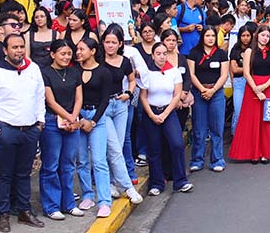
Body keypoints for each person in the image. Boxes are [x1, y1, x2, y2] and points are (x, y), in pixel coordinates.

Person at [0, 34, 46, 232]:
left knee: (24, 173)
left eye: (21, 47)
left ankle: (24, 211)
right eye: (14, 47)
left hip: (29, 130)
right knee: (3, 175)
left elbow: (39, 96)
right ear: (5, 50)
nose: (19, 51)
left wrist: (40, 122)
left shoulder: (33, 69)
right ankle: (3, 213)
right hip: (5, 131)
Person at [139, 42, 193, 194]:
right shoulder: (146, 72)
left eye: (164, 53)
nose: (162, 57)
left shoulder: (174, 71)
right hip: (151, 112)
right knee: (154, 149)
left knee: (176, 144)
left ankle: (180, 181)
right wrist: (151, 114)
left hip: (169, 112)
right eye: (158, 53)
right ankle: (156, 183)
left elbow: (177, 95)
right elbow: (143, 96)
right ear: (153, 55)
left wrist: (164, 114)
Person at [228, 26, 270, 163]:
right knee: (252, 121)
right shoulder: (249, 51)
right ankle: (253, 152)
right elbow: (246, 73)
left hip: (269, 88)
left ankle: (266, 152)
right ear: (257, 36)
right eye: (263, 35)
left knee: (268, 120)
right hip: (252, 87)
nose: (265, 38)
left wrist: (264, 87)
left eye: (268, 36)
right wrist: (256, 89)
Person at [40, 39, 85, 219]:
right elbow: (50, 101)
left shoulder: (74, 72)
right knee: (51, 165)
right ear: (53, 55)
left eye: (68, 53)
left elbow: (79, 97)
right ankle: (51, 206)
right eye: (62, 53)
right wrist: (68, 117)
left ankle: (69, 204)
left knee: (68, 164)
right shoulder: (45, 73)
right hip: (52, 121)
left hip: (72, 121)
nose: (66, 57)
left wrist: (74, 118)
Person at [75, 36, 116, 217]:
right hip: (78, 116)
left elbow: (105, 99)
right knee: (82, 160)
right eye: (78, 49)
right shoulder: (75, 70)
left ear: (92, 51)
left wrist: (93, 121)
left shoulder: (103, 72)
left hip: (96, 117)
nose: (78, 53)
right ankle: (87, 194)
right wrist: (78, 118)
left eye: (82, 49)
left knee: (99, 160)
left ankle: (104, 201)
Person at [100, 25, 141, 199]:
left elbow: (132, 80)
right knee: (113, 147)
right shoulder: (97, 60)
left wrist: (129, 94)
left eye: (113, 42)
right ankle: (122, 185)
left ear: (120, 44)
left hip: (120, 104)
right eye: (107, 42)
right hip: (103, 106)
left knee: (119, 142)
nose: (110, 45)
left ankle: (114, 182)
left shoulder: (125, 61)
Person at [186, 26, 229, 171]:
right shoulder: (194, 53)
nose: (210, 38)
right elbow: (191, 74)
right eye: (207, 35)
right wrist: (203, 89)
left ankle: (217, 160)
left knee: (217, 128)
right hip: (199, 92)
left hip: (216, 93)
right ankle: (197, 160)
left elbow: (224, 75)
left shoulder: (221, 54)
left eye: (213, 35)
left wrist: (213, 90)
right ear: (202, 37)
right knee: (199, 128)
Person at [229, 23, 256, 130]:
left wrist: (244, 70)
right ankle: (235, 134)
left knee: (250, 111)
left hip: (252, 82)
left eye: (248, 35)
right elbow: (234, 69)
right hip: (239, 82)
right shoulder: (235, 50)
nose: (245, 38)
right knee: (238, 109)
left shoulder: (254, 50)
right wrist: (248, 69)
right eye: (243, 35)